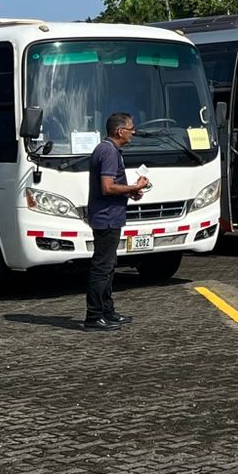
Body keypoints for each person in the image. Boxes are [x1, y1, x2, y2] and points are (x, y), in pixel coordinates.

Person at [85, 111, 150, 331]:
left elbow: (112, 187)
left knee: (109, 266)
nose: (133, 132)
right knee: (102, 268)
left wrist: (129, 193)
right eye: (131, 129)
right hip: (106, 218)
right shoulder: (108, 151)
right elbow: (107, 186)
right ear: (120, 131)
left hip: (111, 215)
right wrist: (134, 187)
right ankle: (94, 316)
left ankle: (107, 311)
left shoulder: (111, 150)